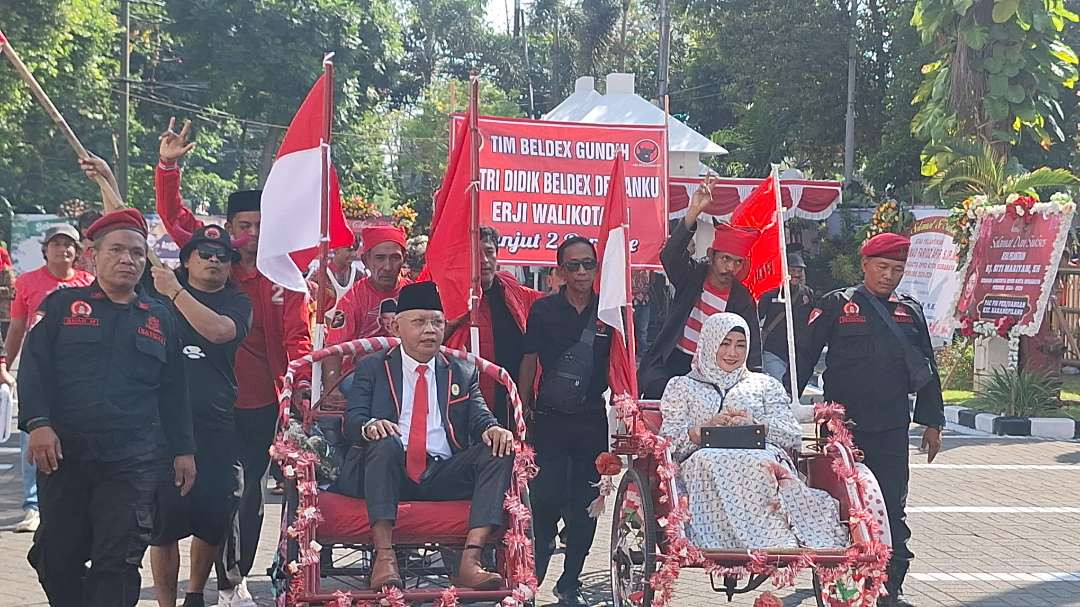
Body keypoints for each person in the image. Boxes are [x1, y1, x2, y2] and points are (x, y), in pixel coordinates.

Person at [156, 117, 312, 605]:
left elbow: (299, 342)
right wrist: (168, 166)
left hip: (261, 404)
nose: (251, 235)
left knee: (244, 496)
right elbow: (173, 217)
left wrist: (301, 392)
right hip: (196, 403)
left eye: (261, 227)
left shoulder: (284, 279)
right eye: (244, 226)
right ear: (228, 231)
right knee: (186, 498)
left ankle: (233, 577)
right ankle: (207, 582)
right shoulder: (211, 263)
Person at [18, 208, 196, 607]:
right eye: (116, 250)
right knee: (56, 557)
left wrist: (184, 451)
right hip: (65, 453)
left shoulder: (159, 317)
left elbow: (175, 391)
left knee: (117, 560)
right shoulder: (62, 305)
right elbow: (34, 368)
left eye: (136, 252)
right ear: (91, 255)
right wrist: (39, 424)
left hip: (133, 459)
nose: (127, 259)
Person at [798, 233, 945, 607]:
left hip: (892, 428)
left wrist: (933, 423)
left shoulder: (909, 312)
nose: (889, 276)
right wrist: (783, 404)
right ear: (864, 265)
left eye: (897, 269)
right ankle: (839, 581)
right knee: (842, 508)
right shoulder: (837, 304)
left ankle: (890, 589)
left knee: (892, 508)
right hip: (841, 431)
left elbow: (927, 368)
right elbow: (803, 356)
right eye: (882, 267)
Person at [341, 281, 515, 590]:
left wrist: (492, 428)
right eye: (419, 322)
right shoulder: (373, 367)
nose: (430, 330)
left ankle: (471, 560)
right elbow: (352, 420)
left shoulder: (460, 370)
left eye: (436, 322)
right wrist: (370, 426)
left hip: (441, 471)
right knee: (384, 440)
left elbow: (479, 414)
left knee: (500, 448)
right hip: (388, 467)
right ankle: (384, 558)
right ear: (397, 326)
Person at [659, 312, 848, 550]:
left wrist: (758, 426)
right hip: (702, 461)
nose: (732, 353)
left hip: (762, 456)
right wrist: (704, 429)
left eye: (740, 345)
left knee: (763, 463)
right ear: (709, 344)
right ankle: (719, 541)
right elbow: (669, 440)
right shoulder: (682, 386)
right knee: (708, 460)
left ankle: (776, 539)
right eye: (724, 344)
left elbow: (792, 433)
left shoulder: (764, 384)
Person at [148, 225, 253, 607]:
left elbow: (219, 332)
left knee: (213, 516)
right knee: (163, 524)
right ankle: (165, 603)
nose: (213, 261)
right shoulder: (158, 285)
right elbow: (133, 236)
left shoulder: (236, 302)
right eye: (204, 254)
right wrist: (108, 181)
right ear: (187, 259)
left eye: (221, 256)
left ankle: (195, 594)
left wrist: (174, 292)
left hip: (216, 424)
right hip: (163, 425)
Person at [519, 237, 611, 607]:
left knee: (586, 504)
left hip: (591, 420)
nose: (582, 272)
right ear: (559, 271)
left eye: (588, 264)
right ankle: (532, 580)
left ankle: (570, 582)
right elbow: (529, 358)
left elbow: (622, 362)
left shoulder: (611, 311)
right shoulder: (543, 311)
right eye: (573, 266)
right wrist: (523, 406)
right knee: (545, 499)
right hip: (550, 421)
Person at [3, 223, 95, 534]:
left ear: (78, 252)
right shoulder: (29, 283)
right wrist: (5, 365)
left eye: (68, 244)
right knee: (33, 435)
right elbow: (16, 328)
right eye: (56, 244)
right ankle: (32, 506)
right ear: (46, 250)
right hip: (38, 372)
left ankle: (75, 503)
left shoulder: (90, 283)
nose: (63, 249)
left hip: (79, 377)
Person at [638, 179, 762, 399]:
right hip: (671, 364)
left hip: (713, 374)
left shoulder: (742, 299)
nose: (730, 268)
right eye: (725, 259)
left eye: (737, 262)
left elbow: (751, 349)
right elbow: (670, 255)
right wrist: (694, 211)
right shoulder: (692, 276)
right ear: (712, 255)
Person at [445, 226, 542, 427]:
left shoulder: (512, 290)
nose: (484, 260)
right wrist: (457, 317)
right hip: (467, 403)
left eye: (489, 251)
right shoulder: (449, 297)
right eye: (474, 253)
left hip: (512, 401)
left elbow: (548, 305)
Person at [323, 225, 411, 389]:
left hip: (407, 375)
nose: (388, 266)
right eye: (380, 258)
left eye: (394, 258)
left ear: (404, 259)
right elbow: (333, 349)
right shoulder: (353, 298)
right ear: (366, 261)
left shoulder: (414, 293)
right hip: (361, 376)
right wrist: (331, 389)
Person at [758, 251, 815, 384]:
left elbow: (813, 321)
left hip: (797, 354)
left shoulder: (807, 294)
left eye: (799, 270)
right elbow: (756, 319)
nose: (796, 274)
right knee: (781, 388)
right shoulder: (771, 293)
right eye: (792, 270)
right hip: (773, 351)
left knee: (793, 392)